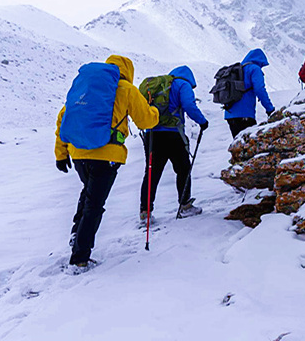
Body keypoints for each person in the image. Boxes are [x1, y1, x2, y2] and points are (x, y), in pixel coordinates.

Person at [55, 55, 159, 267]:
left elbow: (63, 118)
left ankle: (76, 235)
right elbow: (146, 120)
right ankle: (79, 259)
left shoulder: (87, 88)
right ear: (128, 71)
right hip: (106, 155)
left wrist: (61, 154)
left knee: (88, 193)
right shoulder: (126, 89)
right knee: (94, 205)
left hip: (78, 154)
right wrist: (154, 109)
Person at [139, 66, 209, 221]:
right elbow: (189, 105)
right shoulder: (182, 84)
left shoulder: (159, 85)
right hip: (172, 134)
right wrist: (202, 122)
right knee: (183, 169)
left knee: (152, 172)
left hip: (151, 134)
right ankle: (185, 205)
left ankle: (145, 211)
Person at [225, 48, 275, 138]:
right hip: (245, 114)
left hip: (230, 114)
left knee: (238, 146)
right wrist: (269, 109)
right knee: (250, 145)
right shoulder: (254, 69)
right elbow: (260, 89)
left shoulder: (238, 69)